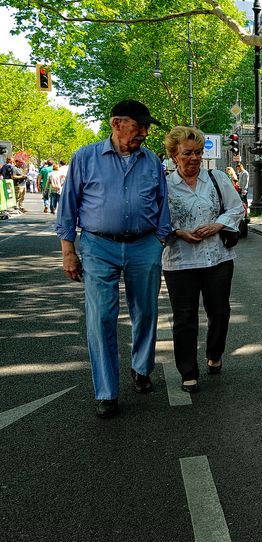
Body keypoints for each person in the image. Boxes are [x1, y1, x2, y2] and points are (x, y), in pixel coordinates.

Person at [55, 99, 171, 419]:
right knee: (101, 317)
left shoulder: (151, 161)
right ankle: (106, 391)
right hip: (98, 247)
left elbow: (162, 204)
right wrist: (68, 250)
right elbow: (68, 207)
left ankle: (141, 368)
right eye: (138, 126)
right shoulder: (85, 157)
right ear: (116, 124)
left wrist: (160, 239)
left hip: (144, 245)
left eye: (146, 127)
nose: (144, 133)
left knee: (146, 311)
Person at [161, 126, 244, 394]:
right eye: (187, 153)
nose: (194, 158)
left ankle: (214, 353)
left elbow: (237, 208)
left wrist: (218, 225)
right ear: (174, 155)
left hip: (217, 258)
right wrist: (177, 232)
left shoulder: (216, 178)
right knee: (184, 319)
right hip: (180, 260)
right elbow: (155, 219)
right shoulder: (163, 185)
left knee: (219, 312)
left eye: (197, 152)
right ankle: (188, 371)